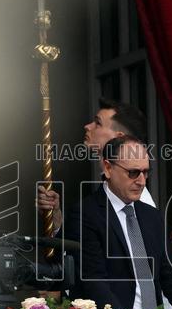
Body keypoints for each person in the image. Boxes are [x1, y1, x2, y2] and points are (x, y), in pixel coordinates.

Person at [78, 136, 172, 309]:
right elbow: (94, 282)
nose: (141, 181)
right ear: (108, 168)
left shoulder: (152, 216)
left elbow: (171, 279)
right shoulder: (86, 214)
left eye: (145, 172)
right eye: (133, 172)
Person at [36, 99, 153, 232]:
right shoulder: (106, 188)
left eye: (98, 123)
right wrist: (56, 222)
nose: (88, 126)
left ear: (118, 137)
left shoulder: (136, 201)